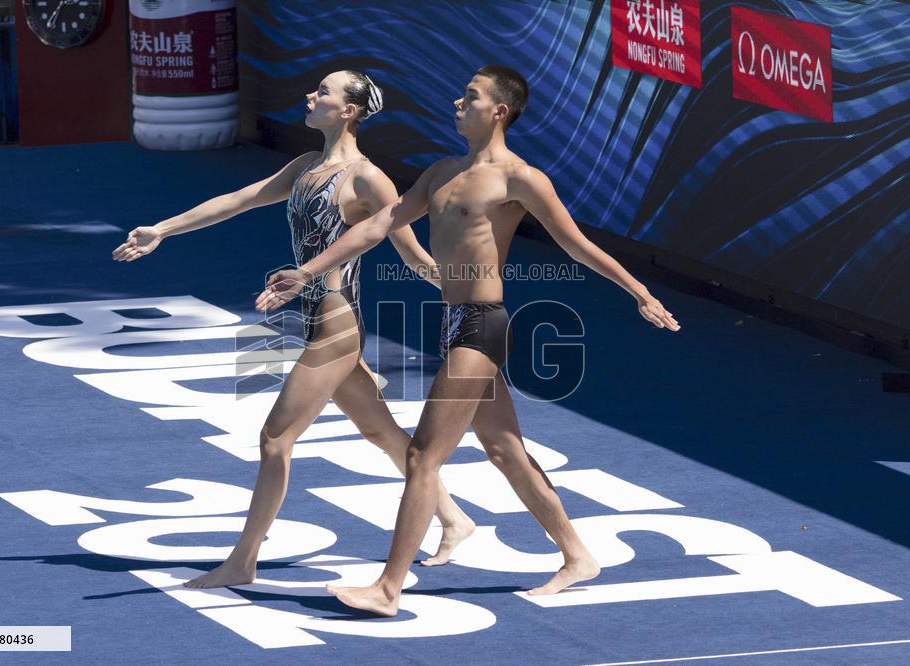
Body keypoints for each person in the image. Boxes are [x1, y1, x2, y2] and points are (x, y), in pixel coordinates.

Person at [257, 64, 681, 616]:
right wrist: (309, 272)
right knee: (504, 449)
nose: (459, 104)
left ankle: (389, 588)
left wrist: (640, 291)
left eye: (471, 98)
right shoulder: (440, 172)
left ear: (499, 111)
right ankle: (578, 555)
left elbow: (576, 245)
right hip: (453, 323)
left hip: (482, 325)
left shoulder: (518, 178)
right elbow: (373, 227)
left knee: (421, 455)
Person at [112, 70, 476, 589]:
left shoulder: (369, 179)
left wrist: (462, 285)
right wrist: (162, 230)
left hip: (336, 323)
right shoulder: (306, 167)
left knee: (275, 437)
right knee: (379, 432)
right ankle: (455, 518)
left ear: (349, 110)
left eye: (323, 92)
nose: (310, 95)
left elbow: (412, 252)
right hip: (315, 320)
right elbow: (240, 198)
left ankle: (242, 561)